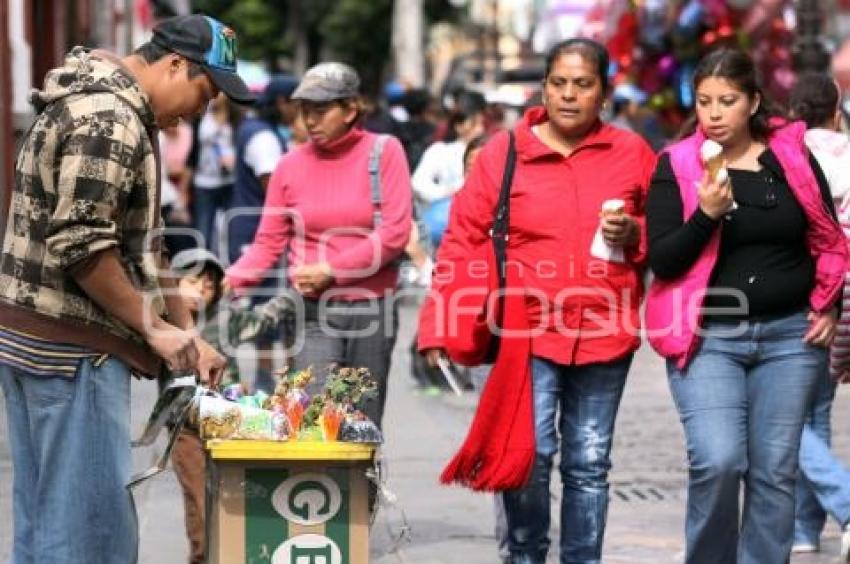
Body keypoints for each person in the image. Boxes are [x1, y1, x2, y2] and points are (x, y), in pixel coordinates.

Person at [0, 14, 251, 563]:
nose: (201, 112)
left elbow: (146, 240)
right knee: (89, 537)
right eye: (204, 93)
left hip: (42, 342)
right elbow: (83, 245)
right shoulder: (110, 119)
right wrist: (150, 328)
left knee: (47, 522)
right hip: (70, 352)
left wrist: (184, 331)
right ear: (175, 65)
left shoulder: (121, 109)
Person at [418, 38, 656, 563]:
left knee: (589, 461)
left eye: (583, 84)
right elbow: (461, 238)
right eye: (558, 83)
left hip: (605, 329)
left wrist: (635, 231)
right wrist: (437, 323)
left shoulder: (632, 153)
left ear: (604, 93)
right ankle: (525, 556)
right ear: (543, 87)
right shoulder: (504, 152)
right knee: (529, 455)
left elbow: (668, 233)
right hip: (524, 334)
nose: (569, 95)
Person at [644, 49, 849, 564]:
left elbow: (828, 237)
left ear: (753, 102)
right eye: (705, 101)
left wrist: (827, 305)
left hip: (789, 338)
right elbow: (664, 260)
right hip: (710, 338)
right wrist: (706, 216)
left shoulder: (793, 158)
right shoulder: (677, 164)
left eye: (727, 101)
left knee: (775, 469)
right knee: (719, 461)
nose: (714, 113)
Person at [224, 62, 412, 428]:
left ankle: (364, 488)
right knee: (315, 422)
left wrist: (333, 270)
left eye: (321, 109)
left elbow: (394, 232)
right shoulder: (289, 166)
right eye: (304, 109)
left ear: (351, 109)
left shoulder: (384, 152)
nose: (310, 119)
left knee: (361, 425)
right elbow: (267, 243)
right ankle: (319, 488)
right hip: (311, 312)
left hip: (371, 309)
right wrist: (225, 281)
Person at [166, 248, 292, 564]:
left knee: (238, 498)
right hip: (186, 426)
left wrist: (291, 294)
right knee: (199, 498)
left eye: (208, 286)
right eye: (191, 282)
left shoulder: (227, 320)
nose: (199, 291)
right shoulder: (163, 323)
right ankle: (203, 557)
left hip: (229, 422)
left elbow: (263, 320)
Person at [787, 72, 850, 558]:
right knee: (816, 412)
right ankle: (805, 531)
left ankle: (844, 501)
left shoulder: (788, 155)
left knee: (778, 414)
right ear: (835, 110)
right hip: (845, 294)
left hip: (805, 291)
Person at [226, 76, 297, 392]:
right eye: (297, 104)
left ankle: (269, 382)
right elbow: (275, 190)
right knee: (267, 308)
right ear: (282, 102)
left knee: (268, 306)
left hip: (252, 228)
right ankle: (267, 385)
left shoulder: (254, 129)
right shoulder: (263, 138)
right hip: (256, 233)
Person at [190, 92, 241, 249]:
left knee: (230, 225)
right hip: (205, 180)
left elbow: (237, 142)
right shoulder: (204, 114)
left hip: (229, 179)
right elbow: (201, 139)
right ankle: (203, 266)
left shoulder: (234, 117)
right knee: (203, 227)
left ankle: (227, 261)